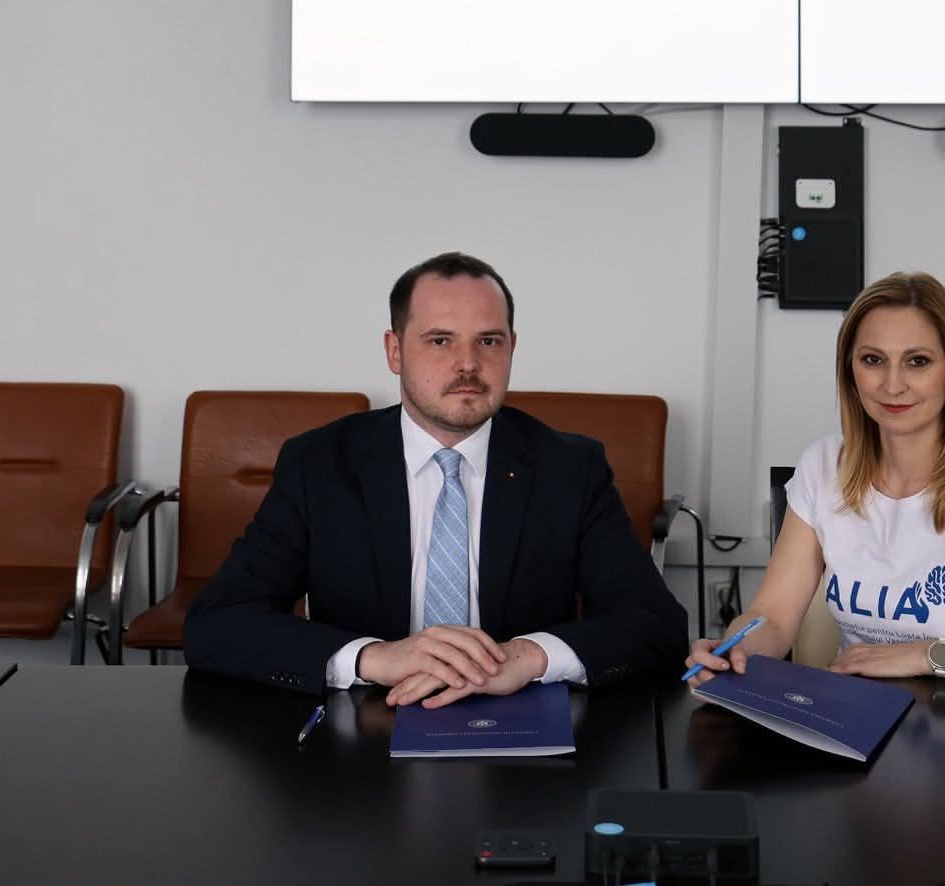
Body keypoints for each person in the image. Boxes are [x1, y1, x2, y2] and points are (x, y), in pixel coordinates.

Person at [186, 252, 688, 705]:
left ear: (512, 348)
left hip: (523, 721)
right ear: (395, 351)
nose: (468, 364)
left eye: (488, 341)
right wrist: (372, 657)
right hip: (367, 719)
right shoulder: (319, 463)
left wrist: (530, 656)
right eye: (440, 340)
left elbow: (656, 624)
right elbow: (218, 622)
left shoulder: (569, 467)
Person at [686, 271, 945, 691]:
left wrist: (926, 655)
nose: (892, 384)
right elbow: (773, 618)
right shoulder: (822, 465)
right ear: (850, 371)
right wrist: (735, 650)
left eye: (918, 361)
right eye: (873, 360)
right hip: (858, 715)